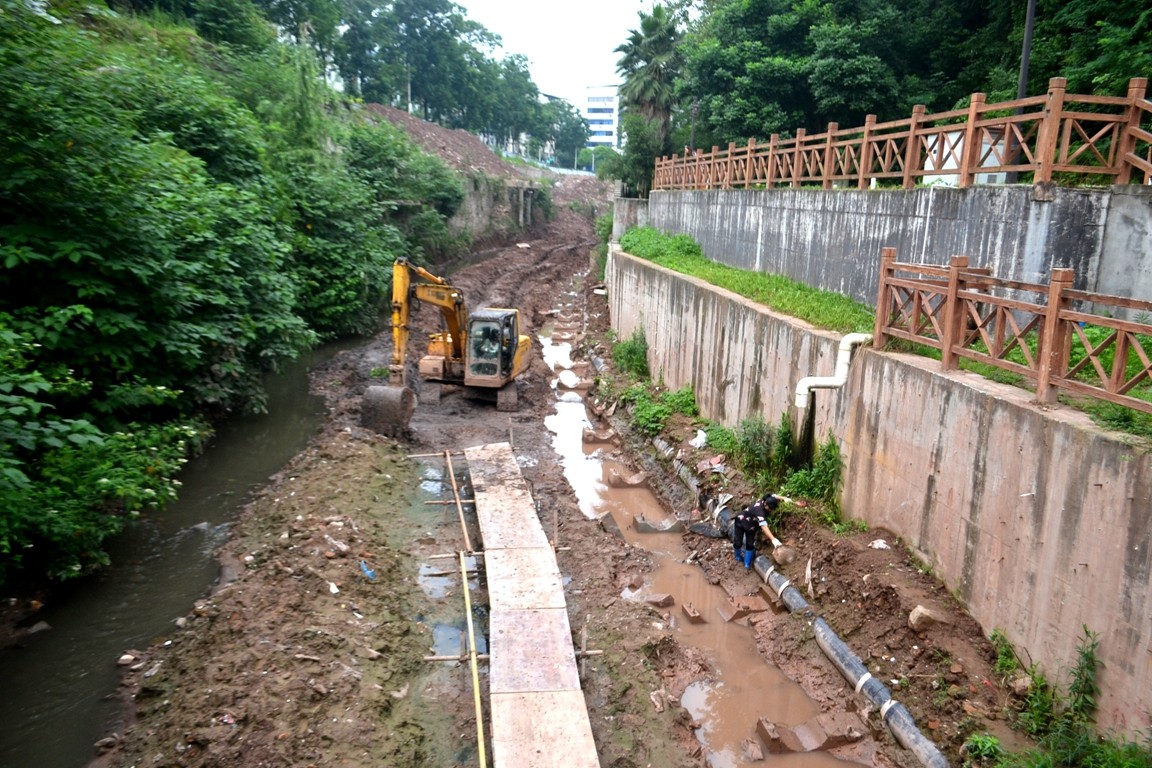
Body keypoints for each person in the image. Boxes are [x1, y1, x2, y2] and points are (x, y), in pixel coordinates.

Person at [730, 492, 785, 570]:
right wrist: (774, 540)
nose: (770, 511)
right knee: (738, 541)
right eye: (769, 509)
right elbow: (764, 527)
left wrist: (785, 498)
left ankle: (747, 564)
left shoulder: (766, 498)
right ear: (766, 504)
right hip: (741, 522)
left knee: (750, 544)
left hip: (751, 526)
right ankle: (738, 557)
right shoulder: (760, 511)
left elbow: (774, 496)